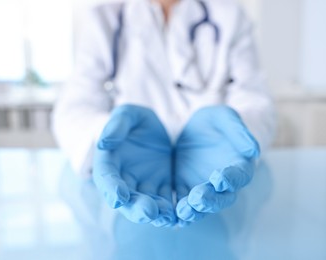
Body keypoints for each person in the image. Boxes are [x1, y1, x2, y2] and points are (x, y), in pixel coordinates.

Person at [52, 0, 275, 229]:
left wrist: (234, 133)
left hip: (213, 184)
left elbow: (254, 101)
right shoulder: (104, 20)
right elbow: (74, 109)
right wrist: (107, 135)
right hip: (132, 174)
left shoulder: (230, 17)